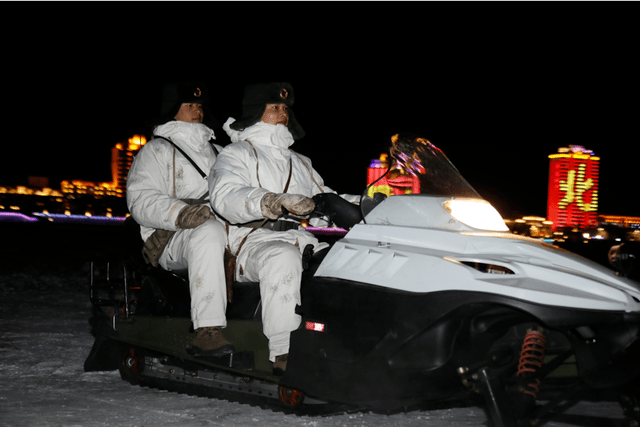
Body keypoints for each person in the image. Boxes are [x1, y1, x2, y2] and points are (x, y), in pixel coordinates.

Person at [208, 82, 359, 374]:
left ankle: (345, 341)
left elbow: (323, 199)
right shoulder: (237, 153)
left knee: (345, 259)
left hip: (297, 239)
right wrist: (272, 201)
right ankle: (282, 351)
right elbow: (225, 196)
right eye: (274, 107)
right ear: (255, 114)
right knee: (282, 257)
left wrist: (366, 204)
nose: (282, 114)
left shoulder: (300, 162)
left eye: (285, 108)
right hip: (248, 243)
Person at [126, 82, 234, 357]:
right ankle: (207, 330)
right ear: (172, 110)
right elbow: (140, 200)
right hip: (172, 238)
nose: (197, 110)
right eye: (189, 105)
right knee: (208, 231)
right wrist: (182, 213)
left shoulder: (221, 152)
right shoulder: (155, 151)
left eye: (199, 105)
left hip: (223, 231)